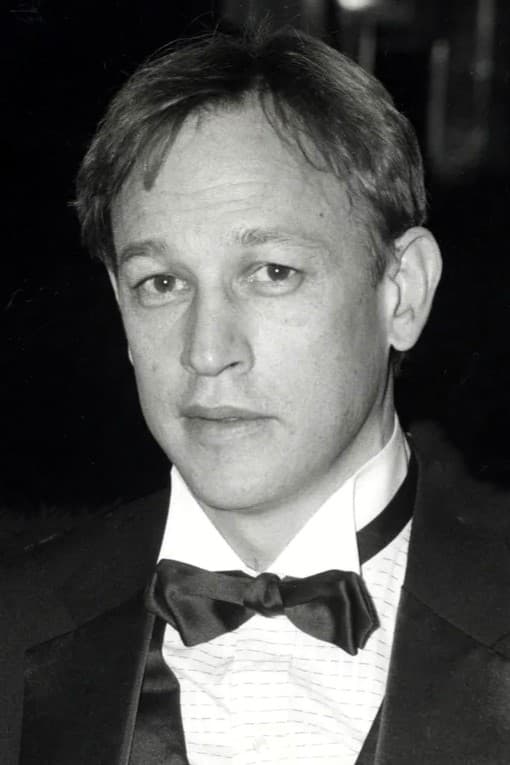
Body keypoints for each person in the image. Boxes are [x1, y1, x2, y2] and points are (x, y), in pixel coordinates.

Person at [2, 27, 510, 765]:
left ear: (402, 292)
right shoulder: (14, 625)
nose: (207, 351)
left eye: (272, 272)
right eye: (162, 283)